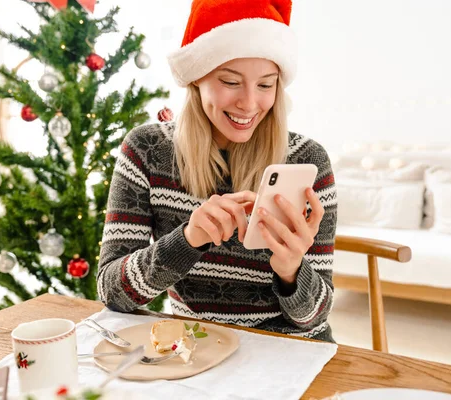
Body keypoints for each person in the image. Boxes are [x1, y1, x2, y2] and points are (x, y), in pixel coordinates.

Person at [97, 0, 337, 342]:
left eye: (266, 85)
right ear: (197, 78)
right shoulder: (147, 151)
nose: (250, 103)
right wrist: (187, 239)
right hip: (196, 348)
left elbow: (315, 317)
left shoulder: (305, 160)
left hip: (288, 351)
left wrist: (292, 272)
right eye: (231, 81)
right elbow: (112, 294)